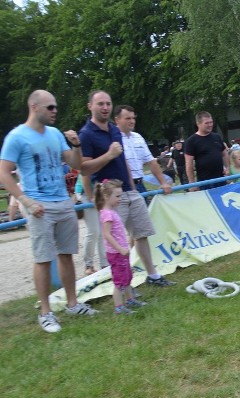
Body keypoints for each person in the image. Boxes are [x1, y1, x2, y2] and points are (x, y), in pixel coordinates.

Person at [0, 89, 99, 332]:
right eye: (50, 107)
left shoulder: (55, 134)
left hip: (63, 203)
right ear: (34, 107)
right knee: (43, 259)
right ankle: (45, 313)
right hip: (39, 207)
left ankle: (73, 303)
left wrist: (76, 145)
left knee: (66, 254)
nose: (55, 111)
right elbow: (4, 172)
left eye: (55, 107)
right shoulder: (17, 137)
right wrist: (25, 201)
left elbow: (76, 164)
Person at [79, 90, 175, 287]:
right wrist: (108, 155)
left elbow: (123, 160)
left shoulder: (114, 130)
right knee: (116, 241)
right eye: (100, 104)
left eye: (108, 103)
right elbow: (84, 168)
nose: (105, 107)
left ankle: (153, 275)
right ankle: (122, 285)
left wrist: (131, 185)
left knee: (141, 234)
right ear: (90, 106)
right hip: (109, 194)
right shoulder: (86, 134)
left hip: (129, 190)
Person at [94, 179, 147, 314]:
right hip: (116, 253)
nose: (120, 199)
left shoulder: (112, 212)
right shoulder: (107, 214)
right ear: (106, 196)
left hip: (121, 252)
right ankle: (118, 307)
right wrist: (120, 248)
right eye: (117, 196)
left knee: (127, 276)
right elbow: (107, 234)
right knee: (119, 281)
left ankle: (130, 299)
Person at [113, 105, 173, 197]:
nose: (132, 121)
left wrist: (163, 182)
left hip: (140, 186)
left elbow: (151, 162)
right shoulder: (111, 138)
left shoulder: (138, 137)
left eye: (133, 118)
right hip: (120, 189)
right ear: (117, 120)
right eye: (128, 118)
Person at [184, 111, 229, 190]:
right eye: (207, 123)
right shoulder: (191, 141)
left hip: (221, 179)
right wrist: (192, 182)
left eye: (211, 122)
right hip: (205, 182)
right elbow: (189, 163)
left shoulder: (217, 137)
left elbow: (224, 154)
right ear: (198, 123)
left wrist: (227, 168)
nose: (210, 125)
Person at [74, 173, 107, 275]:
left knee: (101, 232)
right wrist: (90, 196)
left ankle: (104, 264)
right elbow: (84, 174)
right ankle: (89, 265)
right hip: (85, 193)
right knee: (93, 231)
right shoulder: (87, 157)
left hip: (99, 193)